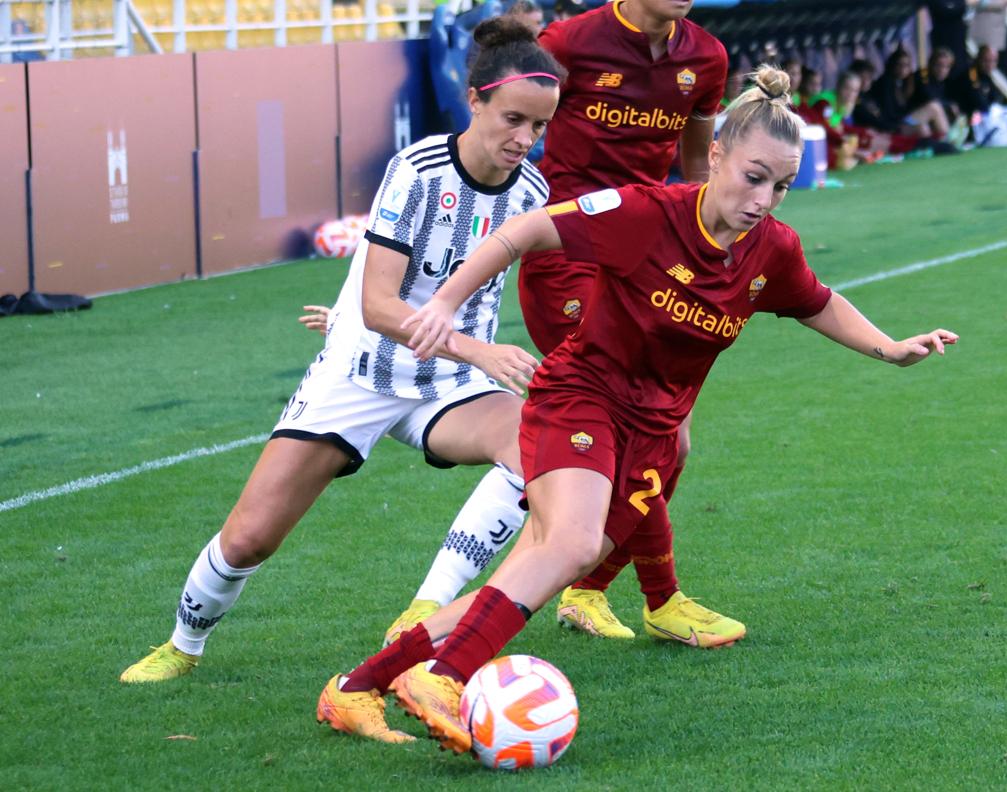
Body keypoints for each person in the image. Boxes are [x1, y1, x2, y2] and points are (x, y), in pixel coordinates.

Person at [317, 65, 958, 752]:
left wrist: (889, 349)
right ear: (714, 154)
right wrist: (443, 304)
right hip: (581, 397)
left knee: (541, 563)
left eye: (781, 185)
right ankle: (443, 676)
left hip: (650, 434)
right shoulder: (644, 214)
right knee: (569, 543)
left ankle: (356, 688)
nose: (764, 198)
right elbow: (524, 232)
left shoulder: (771, 249)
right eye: (753, 176)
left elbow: (817, 301)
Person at [118, 18, 564, 690]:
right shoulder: (416, 172)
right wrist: (482, 348)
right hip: (361, 371)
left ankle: (425, 610)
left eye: (539, 127)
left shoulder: (531, 194)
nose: (525, 141)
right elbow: (379, 306)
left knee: (539, 452)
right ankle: (184, 644)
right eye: (513, 119)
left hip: (448, 383)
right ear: (473, 99)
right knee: (249, 539)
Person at [389, 0, 742, 650]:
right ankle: (649, 596)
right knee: (655, 438)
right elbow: (510, 112)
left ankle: (589, 586)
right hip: (568, 260)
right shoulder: (572, 41)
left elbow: (696, 170)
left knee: (673, 446)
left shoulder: (707, 58)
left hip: (648, 260)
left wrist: (707, 243)